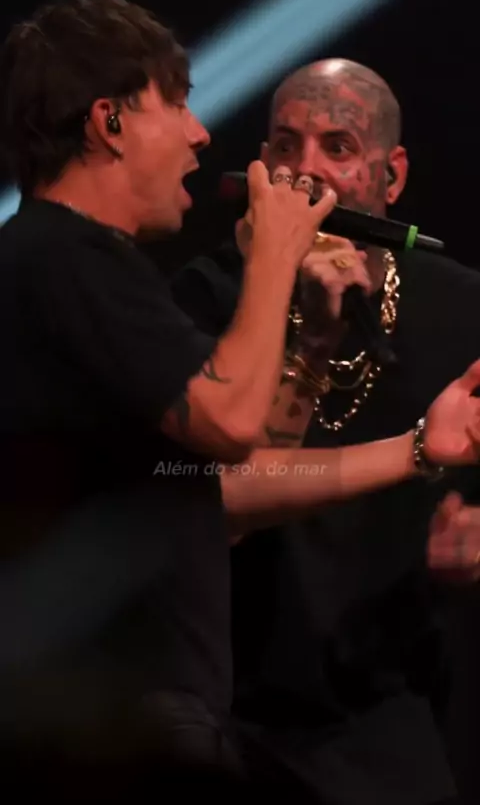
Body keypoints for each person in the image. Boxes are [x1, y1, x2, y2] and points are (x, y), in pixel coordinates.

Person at [172, 58, 480, 803]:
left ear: (392, 177)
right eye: (285, 146)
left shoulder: (464, 308)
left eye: (338, 147)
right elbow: (210, 503)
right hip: (228, 715)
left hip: (390, 713)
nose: (304, 171)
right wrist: (305, 331)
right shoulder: (204, 298)